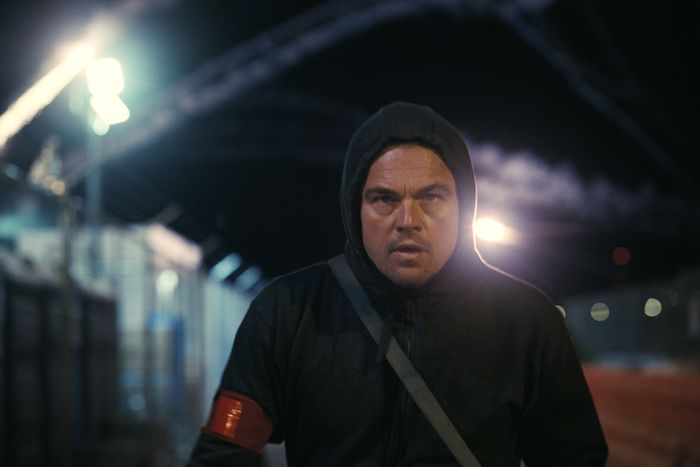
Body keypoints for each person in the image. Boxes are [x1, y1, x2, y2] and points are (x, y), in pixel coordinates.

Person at [188, 102, 608, 466]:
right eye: (384, 199)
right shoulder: (289, 311)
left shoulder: (526, 320)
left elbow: (573, 458)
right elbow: (225, 450)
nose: (408, 220)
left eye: (431, 197)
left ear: (464, 207)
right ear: (354, 208)